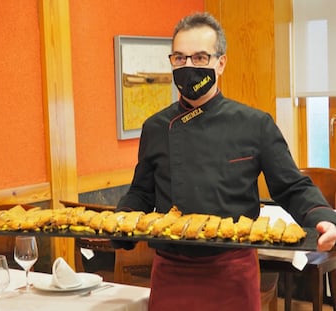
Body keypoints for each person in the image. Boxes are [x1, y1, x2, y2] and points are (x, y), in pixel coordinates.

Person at [112, 12, 336, 311]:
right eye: (180, 58)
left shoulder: (254, 124)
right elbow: (142, 192)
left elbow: (291, 186)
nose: (188, 66)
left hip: (231, 271)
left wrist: (323, 218)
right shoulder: (156, 127)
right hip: (171, 272)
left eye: (200, 57)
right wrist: (122, 222)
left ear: (221, 62)